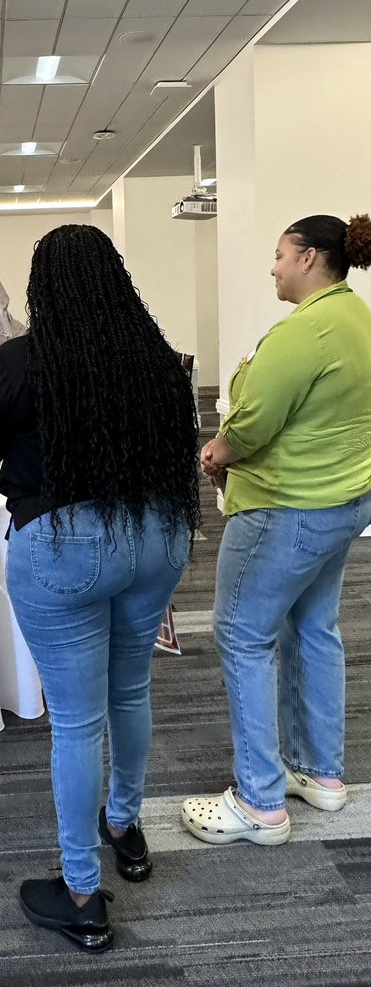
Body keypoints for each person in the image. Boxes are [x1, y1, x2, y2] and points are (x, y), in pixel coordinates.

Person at [0, 225, 200, 952]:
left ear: (42, 287)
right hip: (156, 536)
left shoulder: (21, 362)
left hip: (63, 546)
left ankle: (81, 892)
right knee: (129, 692)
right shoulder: (156, 359)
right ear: (115, 279)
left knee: (75, 721)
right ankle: (125, 829)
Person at [182, 214, 371, 847]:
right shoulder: (359, 321)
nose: (272, 267)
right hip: (343, 503)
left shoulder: (306, 332)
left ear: (310, 258)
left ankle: (258, 801)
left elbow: (253, 423)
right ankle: (321, 773)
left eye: (279, 255)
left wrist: (216, 454)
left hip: (284, 509)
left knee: (242, 636)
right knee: (314, 628)